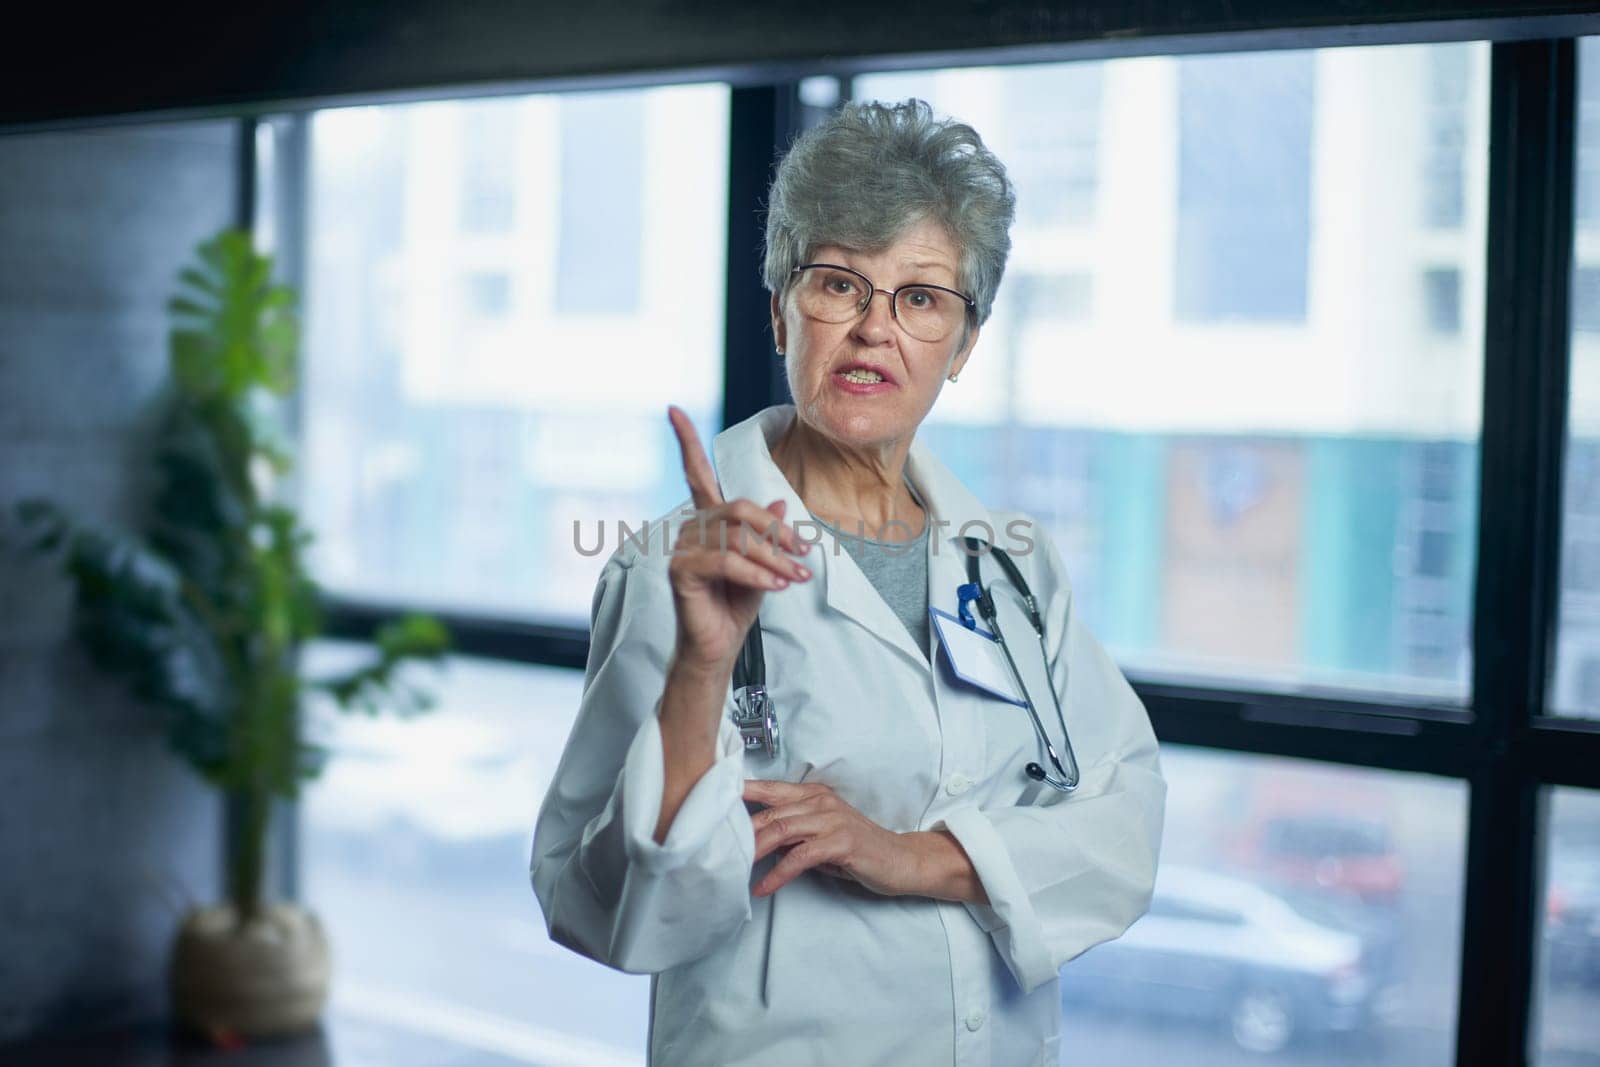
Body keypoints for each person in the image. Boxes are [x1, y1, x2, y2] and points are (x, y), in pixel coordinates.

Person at [530, 99, 1165, 1066]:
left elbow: (1123, 818)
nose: (876, 330)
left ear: (964, 344)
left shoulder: (1013, 562)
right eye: (839, 285)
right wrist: (704, 669)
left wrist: (915, 856)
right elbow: (602, 906)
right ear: (781, 307)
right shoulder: (676, 564)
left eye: (920, 297)